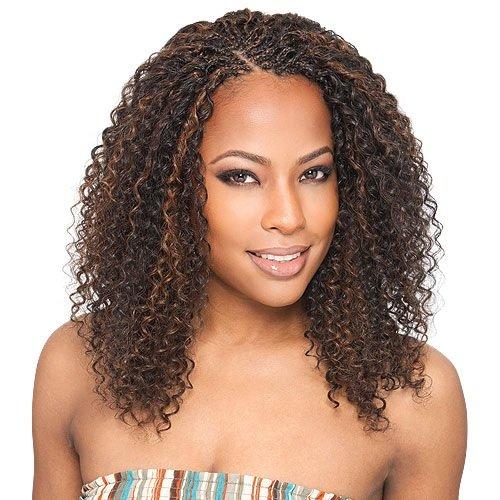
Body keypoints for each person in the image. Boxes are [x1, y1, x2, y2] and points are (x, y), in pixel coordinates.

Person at [32, 8, 467, 500]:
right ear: (169, 188)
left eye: (314, 174)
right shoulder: (81, 364)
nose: (289, 216)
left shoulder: (411, 394)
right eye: (241, 176)